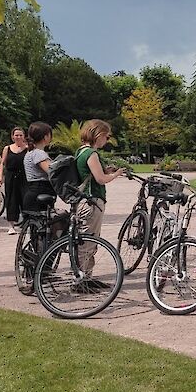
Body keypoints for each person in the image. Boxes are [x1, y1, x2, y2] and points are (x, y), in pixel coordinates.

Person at [75, 119, 125, 280]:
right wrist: (115, 174)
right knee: (88, 242)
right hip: (92, 202)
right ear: (98, 135)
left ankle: (84, 276)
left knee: (85, 240)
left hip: (83, 202)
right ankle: (82, 278)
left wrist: (105, 170)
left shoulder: (81, 151)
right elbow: (100, 179)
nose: (107, 140)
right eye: (106, 136)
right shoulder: (92, 153)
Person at [0, 126, 28, 234]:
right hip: (11, 176)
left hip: (24, 176)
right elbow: (2, 163)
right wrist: (0, 177)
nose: (18, 137)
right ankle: (11, 225)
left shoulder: (28, 148)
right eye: (16, 135)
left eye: (20, 135)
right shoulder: (7, 148)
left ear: (24, 136)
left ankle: (27, 222)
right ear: (12, 136)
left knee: (25, 199)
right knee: (11, 200)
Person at [22, 122, 54, 213]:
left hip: (32, 190)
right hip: (41, 190)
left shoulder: (30, 152)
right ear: (45, 137)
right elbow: (51, 171)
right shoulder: (39, 153)